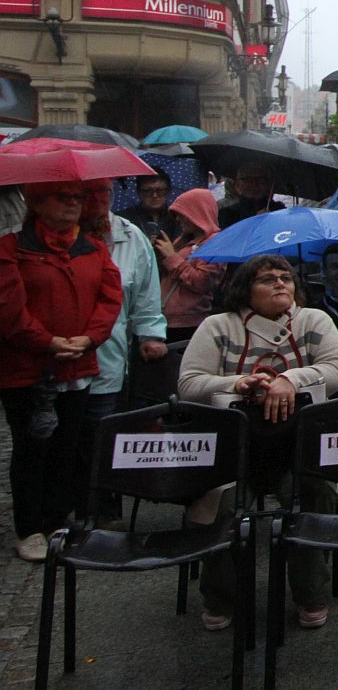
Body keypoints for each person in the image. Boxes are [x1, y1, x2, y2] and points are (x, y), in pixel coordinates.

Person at [177, 255, 338, 631]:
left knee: (311, 498)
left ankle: (310, 593)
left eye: (286, 278)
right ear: (245, 289)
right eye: (268, 279)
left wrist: (291, 379)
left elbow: (336, 370)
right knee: (222, 508)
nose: (280, 284)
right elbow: (188, 384)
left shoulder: (314, 320)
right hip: (234, 449)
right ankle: (221, 597)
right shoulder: (218, 326)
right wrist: (234, 384)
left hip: (297, 446)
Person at [0, 182, 123, 562]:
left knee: (67, 446)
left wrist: (89, 338)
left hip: (78, 364)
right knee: (31, 447)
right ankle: (30, 527)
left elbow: (110, 298)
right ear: (37, 203)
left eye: (78, 198)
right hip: (28, 369)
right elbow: (9, 309)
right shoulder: (11, 249)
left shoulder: (94, 248)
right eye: (63, 197)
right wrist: (47, 341)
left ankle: (58, 521)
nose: (73, 204)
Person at [77, 179, 168, 524]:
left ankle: (101, 510)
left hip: (108, 359)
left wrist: (150, 334)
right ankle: (59, 513)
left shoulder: (131, 237)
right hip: (58, 359)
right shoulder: (58, 233)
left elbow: (145, 297)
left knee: (102, 436)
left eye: (105, 192)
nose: (98, 200)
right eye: (89, 193)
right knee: (63, 440)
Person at [152, 187, 227, 340]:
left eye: (182, 214)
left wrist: (172, 257)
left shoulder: (216, 243)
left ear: (196, 213)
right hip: (164, 317)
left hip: (188, 322)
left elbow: (201, 282)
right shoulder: (184, 240)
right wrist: (159, 255)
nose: (178, 220)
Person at [115, 169, 181, 240]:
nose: (154, 195)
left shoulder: (179, 218)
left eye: (160, 190)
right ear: (139, 192)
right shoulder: (123, 219)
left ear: (168, 191)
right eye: (147, 191)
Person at [218, 163, 284, 228]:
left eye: (260, 180)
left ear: (269, 184)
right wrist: (254, 222)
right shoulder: (227, 214)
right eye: (248, 180)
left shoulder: (279, 211)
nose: (254, 184)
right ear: (237, 185)